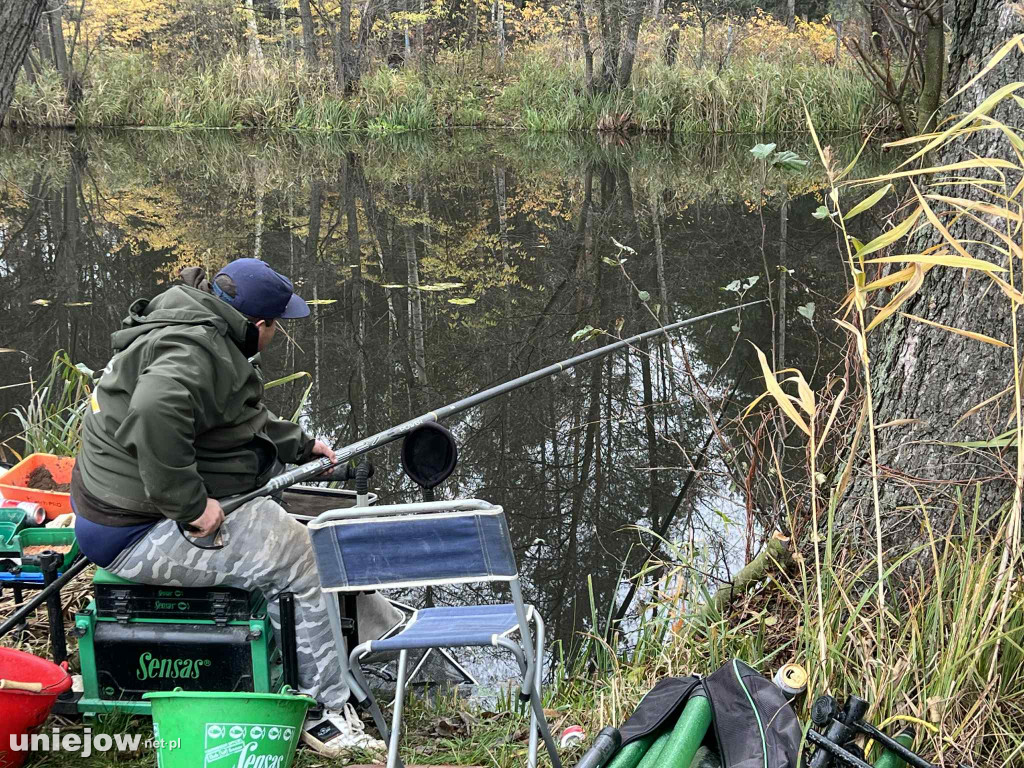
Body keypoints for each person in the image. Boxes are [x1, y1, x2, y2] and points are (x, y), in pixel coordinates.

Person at [71, 258, 401, 756]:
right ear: (258, 324)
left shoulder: (190, 320)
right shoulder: (194, 350)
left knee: (282, 527)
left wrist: (299, 443)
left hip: (121, 506)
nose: (276, 335)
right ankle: (322, 711)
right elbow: (155, 408)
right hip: (131, 529)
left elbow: (229, 416)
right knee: (301, 557)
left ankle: (298, 666)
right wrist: (189, 505)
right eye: (277, 326)